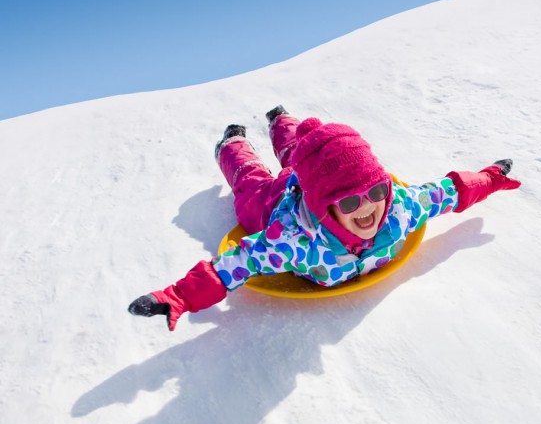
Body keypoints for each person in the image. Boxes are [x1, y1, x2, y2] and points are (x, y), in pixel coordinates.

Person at [128, 105, 521, 330]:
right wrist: (179, 295)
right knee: (250, 182)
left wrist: (491, 177)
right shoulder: (293, 240)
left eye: (376, 192)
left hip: (312, 182)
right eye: (350, 203)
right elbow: (235, 264)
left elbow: (448, 192)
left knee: (302, 149)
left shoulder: (398, 207)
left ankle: (281, 120)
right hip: (273, 203)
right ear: (324, 207)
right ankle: (231, 143)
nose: (368, 209)